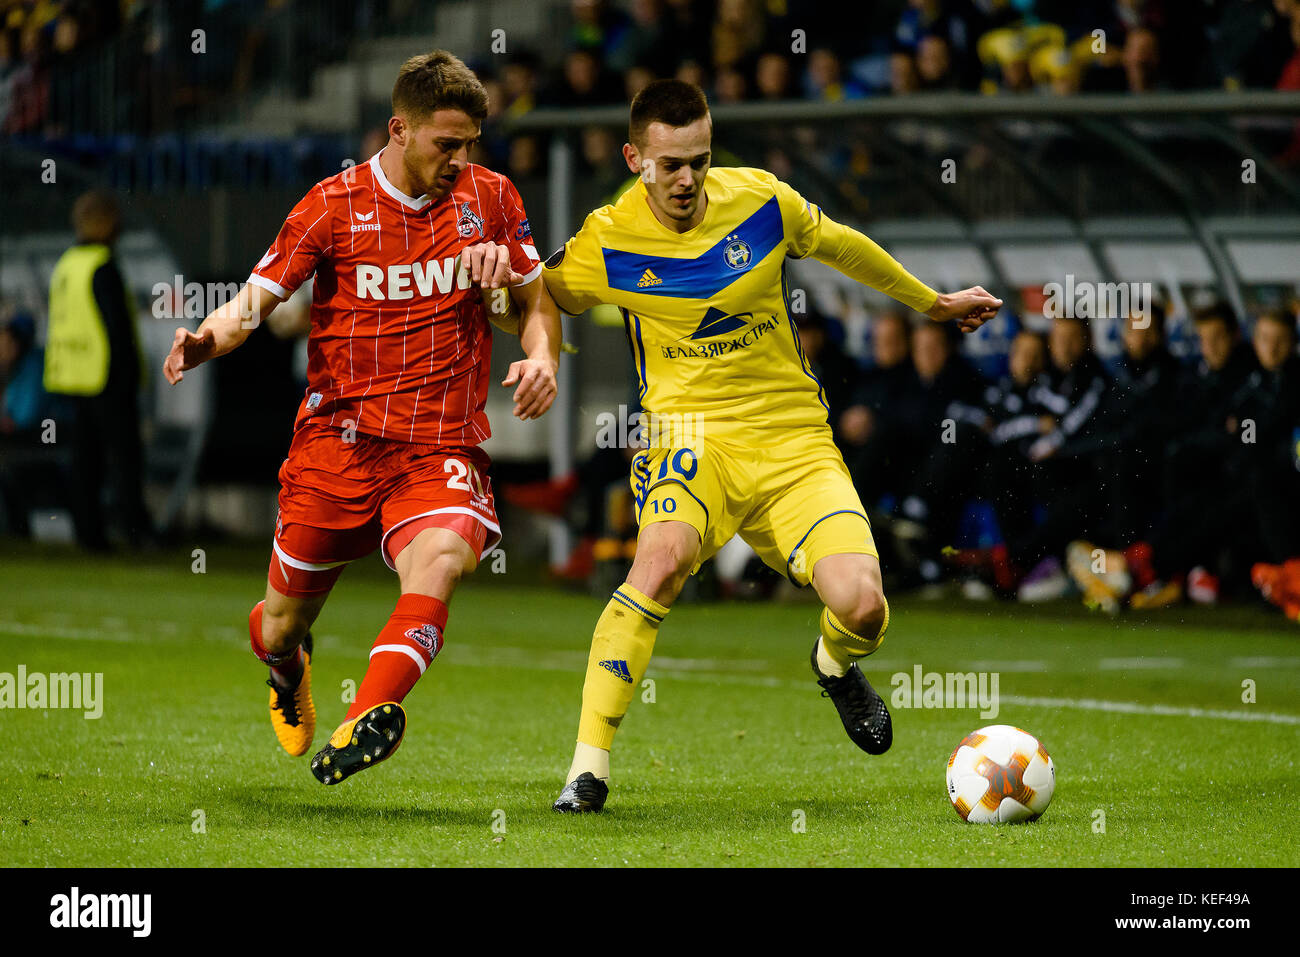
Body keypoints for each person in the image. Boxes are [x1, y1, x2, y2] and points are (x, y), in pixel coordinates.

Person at [541, 79, 1000, 812]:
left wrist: (933, 304)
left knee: (865, 605)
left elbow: (843, 245)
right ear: (635, 159)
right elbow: (536, 295)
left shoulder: (761, 200)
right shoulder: (607, 238)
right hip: (689, 440)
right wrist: (528, 340)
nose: (687, 177)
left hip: (793, 442)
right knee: (656, 565)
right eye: (670, 165)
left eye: (699, 159)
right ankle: (587, 769)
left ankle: (834, 664)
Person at [162, 51, 562, 785]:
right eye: (447, 142)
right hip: (336, 447)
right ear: (398, 129)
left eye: (471, 142)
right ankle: (288, 670)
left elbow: (535, 304)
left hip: (438, 442)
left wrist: (541, 358)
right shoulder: (331, 205)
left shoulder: (493, 199)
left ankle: (364, 717)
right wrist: (205, 338)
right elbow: (255, 303)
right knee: (281, 623)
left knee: (440, 560)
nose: (460, 158)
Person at [44, 189, 152, 551]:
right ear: (106, 221)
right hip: (105, 377)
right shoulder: (102, 265)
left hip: (72, 376)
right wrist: (131, 374)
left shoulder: (66, 264)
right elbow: (116, 328)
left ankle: (87, 532)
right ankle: (135, 529)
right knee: (124, 457)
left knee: (84, 459)